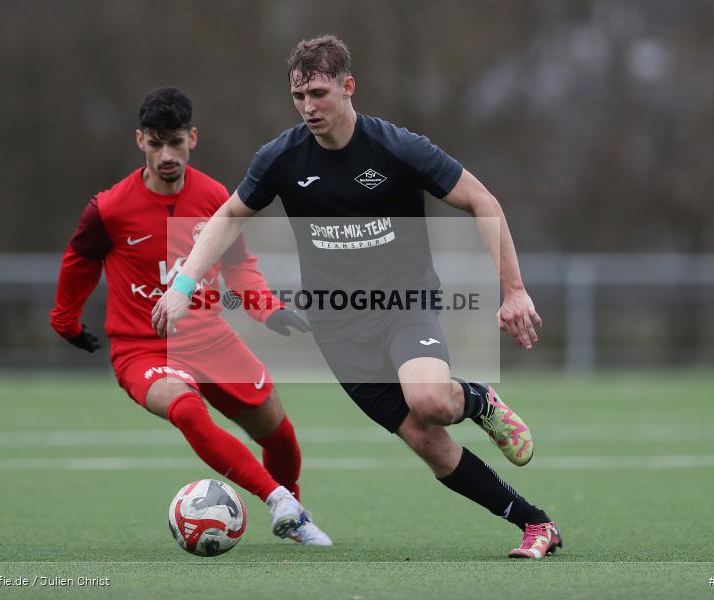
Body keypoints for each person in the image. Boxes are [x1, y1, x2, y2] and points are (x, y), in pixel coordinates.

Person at [152, 37, 561, 559]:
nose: (308, 108)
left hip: (404, 305)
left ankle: (476, 399)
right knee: (426, 442)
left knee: (431, 400)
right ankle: (536, 524)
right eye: (298, 96)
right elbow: (229, 216)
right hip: (338, 328)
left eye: (319, 93)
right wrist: (185, 284)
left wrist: (514, 290)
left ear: (348, 87)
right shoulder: (281, 157)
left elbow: (482, 200)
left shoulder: (396, 147)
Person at [50, 87, 331, 546]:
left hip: (210, 339)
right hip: (143, 348)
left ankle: (293, 512)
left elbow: (239, 265)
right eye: (156, 142)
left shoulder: (215, 197)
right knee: (186, 410)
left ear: (192, 138)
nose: (166, 154)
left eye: (175, 141)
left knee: (279, 434)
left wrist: (268, 310)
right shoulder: (110, 208)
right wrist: (65, 320)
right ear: (139, 140)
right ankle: (277, 499)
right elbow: (77, 263)